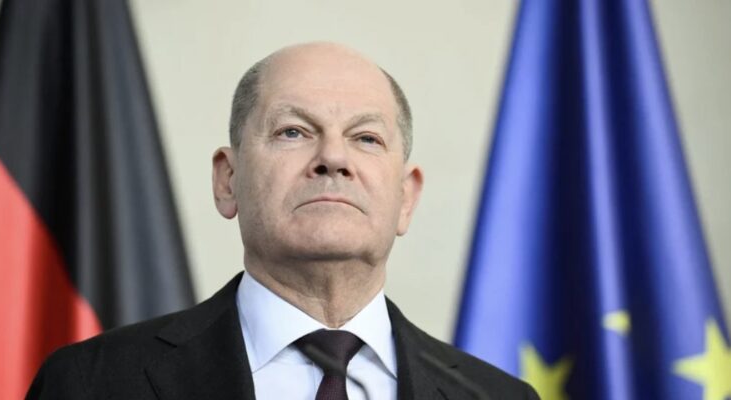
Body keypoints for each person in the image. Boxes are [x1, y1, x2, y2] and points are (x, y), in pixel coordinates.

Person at [27, 42, 539, 400]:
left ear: (406, 198)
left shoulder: (501, 397)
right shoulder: (90, 384)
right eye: (293, 131)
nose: (333, 157)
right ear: (228, 180)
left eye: (366, 138)